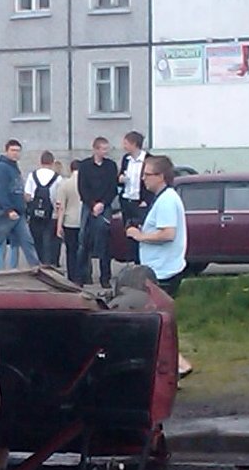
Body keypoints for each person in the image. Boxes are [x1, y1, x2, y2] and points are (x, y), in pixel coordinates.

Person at [125, 155, 192, 377]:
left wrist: (139, 236)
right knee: (157, 322)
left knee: (155, 323)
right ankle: (175, 366)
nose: (143, 179)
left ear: (161, 176)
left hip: (163, 271)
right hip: (161, 268)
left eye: (147, 175)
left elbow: (168, 233)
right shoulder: (163, 198)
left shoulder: (167, 200)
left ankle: (177, 366)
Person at [0, 139, 39, 270]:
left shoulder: (14, 167)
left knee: (27, 241)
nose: (15, 153)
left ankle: (35, 266)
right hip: (4, 213)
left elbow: (14, 188)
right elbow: (0, 190)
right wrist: (8, 210)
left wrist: (23, 198)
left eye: (18, 151)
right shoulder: (1, 168)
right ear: (6, 151)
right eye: (12, 150)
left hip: (18, 213)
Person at [74, 137, 119, 286]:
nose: (105, 152)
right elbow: (82, 188)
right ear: (95, 149)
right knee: (83, 241)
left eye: (107, 149)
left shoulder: (111, 166)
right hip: (88, 206)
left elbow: (112, 188)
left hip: (105, 206)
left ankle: (105, 278)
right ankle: (81, 277)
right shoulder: (85, 166)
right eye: (103, 149)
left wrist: (102, 204)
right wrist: (92, 204)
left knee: (104, 242)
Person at [116, 131, 151, 260]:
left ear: (134, 144)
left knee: (141, 231)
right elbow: (121, 176)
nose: (124, 146)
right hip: (127, 200)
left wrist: (146, 200)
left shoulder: (148, 159)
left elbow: (151, 182)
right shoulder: (126, 159)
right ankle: (132, 259)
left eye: (126, 143)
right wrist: (120, 179)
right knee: (129, 231)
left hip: (140, 202)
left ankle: (141, 260)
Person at [24, 151, 61, 266]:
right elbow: (59, 198)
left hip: (35, 213)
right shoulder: (57, 178)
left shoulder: (32, 175)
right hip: (51, 214)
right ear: (52, 162)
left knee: (37, 239)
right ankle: (49, 263)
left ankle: (38, 263)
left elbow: (27, 196)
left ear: (40, 162)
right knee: (49, 240)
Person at [56, 160, 84, 280]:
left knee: (71, 250)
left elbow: (61, 207)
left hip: (69, 221)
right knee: (83, 249)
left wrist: (59, 226)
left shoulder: (65, 184)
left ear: (70, 169)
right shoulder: (86, 182)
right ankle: (84, 275)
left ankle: (72, 276)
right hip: (83, 220)